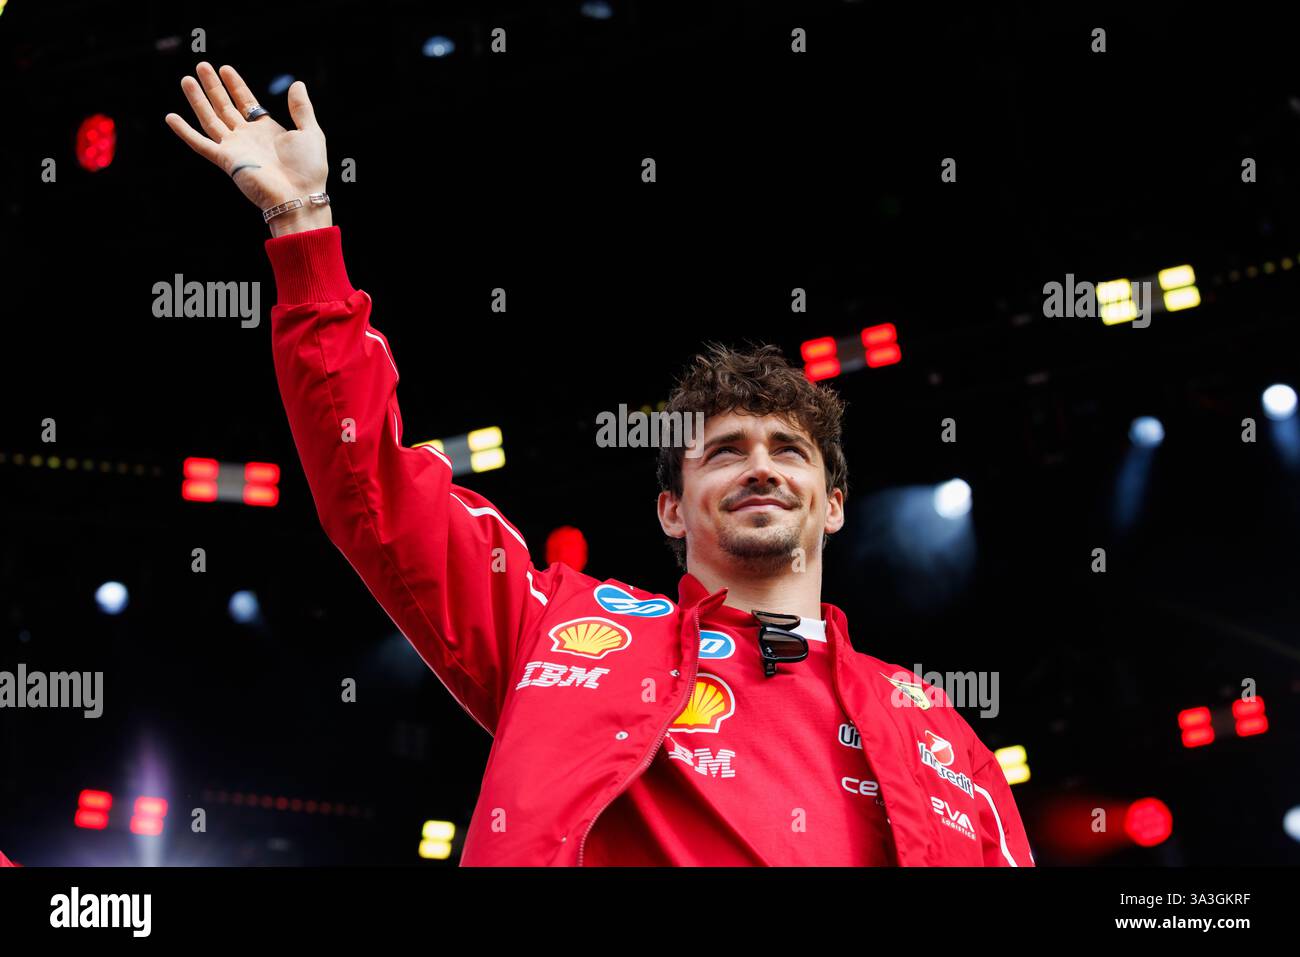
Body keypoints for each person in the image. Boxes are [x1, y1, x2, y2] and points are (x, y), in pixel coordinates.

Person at [166, 62, 1035, 867]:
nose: (760, 468)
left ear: (835, 503)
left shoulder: (935, 731)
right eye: (724, 450)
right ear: (671, 508)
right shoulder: (564, 631)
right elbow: (375, 495)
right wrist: (302, 227)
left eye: (789, 451)